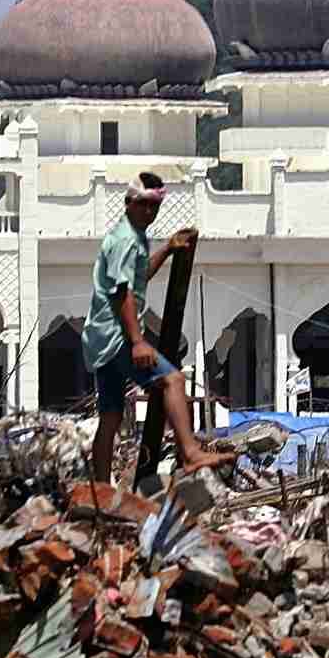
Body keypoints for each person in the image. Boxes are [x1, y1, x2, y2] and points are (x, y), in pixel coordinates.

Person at [83, 173, 232, 485]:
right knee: (173, 379)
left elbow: (137, 278)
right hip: (118, 337)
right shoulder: (126, 240)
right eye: (145, 205)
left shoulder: (132, 236)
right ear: (129, 203)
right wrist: (137, 342)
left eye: (155, 206)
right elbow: (122, 294)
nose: (150, 211)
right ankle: (190, 451)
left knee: (110, 418)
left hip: (101, 339)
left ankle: (99, 488)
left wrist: (166, 249)